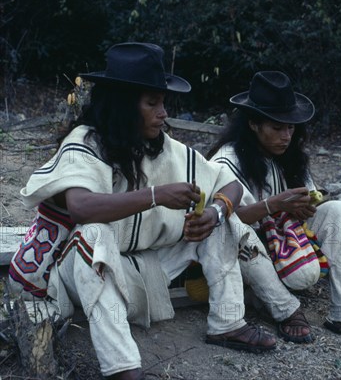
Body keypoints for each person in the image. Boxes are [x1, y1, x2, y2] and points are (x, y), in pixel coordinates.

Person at [8, 43, 275, 380]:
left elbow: (230, 183)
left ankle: (227, 322)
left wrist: (216, 212)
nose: (163, 112)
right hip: (78, 275)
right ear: (122, 105)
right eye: (152, 103)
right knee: (94, 234)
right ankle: (123, 368)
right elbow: (81, 206)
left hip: (143, 268)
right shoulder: (85, 142)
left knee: (221, 222)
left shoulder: (160, 145)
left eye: (162, 102)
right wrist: (156, 195)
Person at [208, 71, 341, 345]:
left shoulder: (289, 156)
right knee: (234, 228)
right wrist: (274, 205)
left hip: (287, 243)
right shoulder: (227, 159)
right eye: (277, 128)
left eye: (290, 128)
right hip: (247, 258)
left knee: (339, 211)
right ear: (254, 124)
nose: (286, 135)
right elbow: (225, 218)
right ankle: (286, 309)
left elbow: (308, 203)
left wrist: (306, 207)